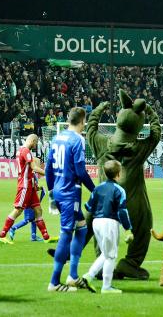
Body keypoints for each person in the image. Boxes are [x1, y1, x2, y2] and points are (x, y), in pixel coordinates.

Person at [45, 107, 96, 292]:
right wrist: (94, 190)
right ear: (83, 121)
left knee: (81, 228)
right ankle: (54, 282)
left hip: (59, 190)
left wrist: (51, 193)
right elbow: (81, 171)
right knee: (67, 233)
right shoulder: (77, 140)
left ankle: (73, 276)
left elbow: (48, 169)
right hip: (70, 192)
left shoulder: (56, 138)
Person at [82, 160, 134, 294]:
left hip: (96, 222)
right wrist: (128, 229)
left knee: (106, 253)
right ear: (119, 173)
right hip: (109, 222)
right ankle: (106, 286)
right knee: (111, 255)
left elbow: (88, 207)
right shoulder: (119, 190)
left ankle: (89, 276)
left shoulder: (98, 188)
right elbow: (122, 211)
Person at [0, 134, 51, 244]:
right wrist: (49, 174)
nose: (35, 145)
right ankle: (2, 235)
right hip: (25, 185)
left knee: (38, 209)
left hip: (30, 186)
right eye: (35, 143)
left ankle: (46, 238)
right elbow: (34, 168)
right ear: (32, 140)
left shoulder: (20, 150)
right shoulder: (26, 151)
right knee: (18, 210)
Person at [9, 171, 47, 242]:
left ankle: (33, 236)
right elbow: (31, 188)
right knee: (28, 219)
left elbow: (34, 187)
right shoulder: (30, 176)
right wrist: (39, 189)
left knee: (34, 218)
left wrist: (39, 188)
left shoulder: (30, 175)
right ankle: (13, 228)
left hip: (28, 197)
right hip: (29, 199)